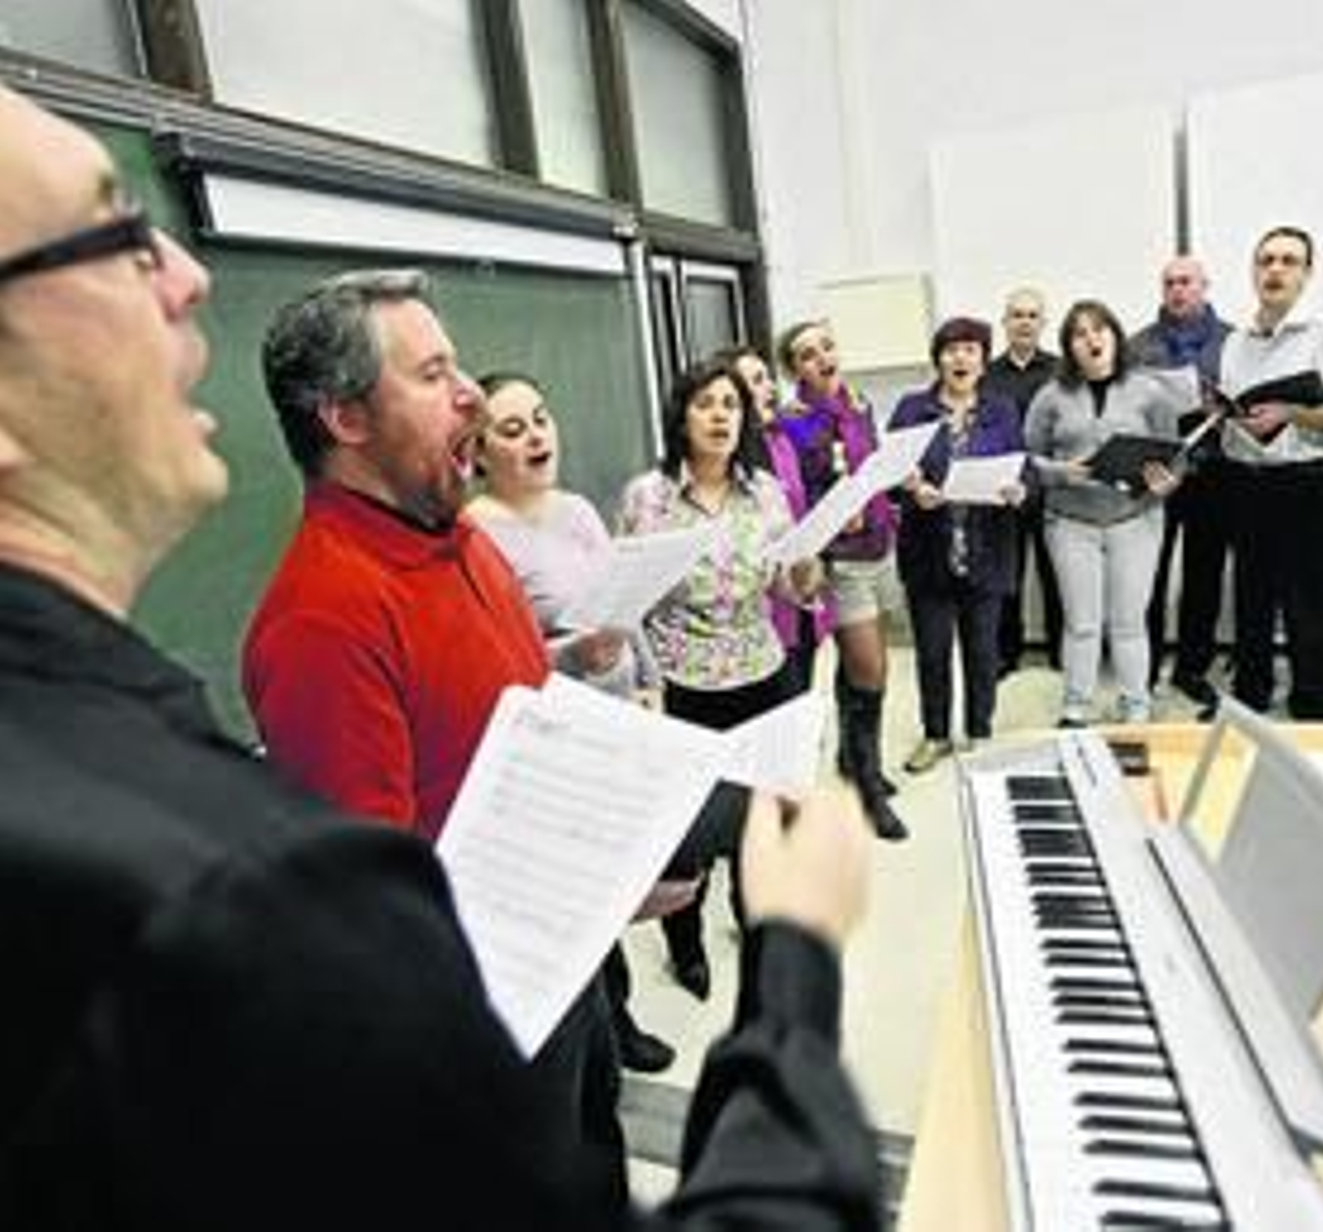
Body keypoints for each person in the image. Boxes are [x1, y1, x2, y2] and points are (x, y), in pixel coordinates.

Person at [0, 83, 883, 1230]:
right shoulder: (320, 621)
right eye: (431, 376)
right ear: (345, 419)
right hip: (479, 1023)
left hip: (561, 982)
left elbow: (513, 716)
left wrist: (611, 849)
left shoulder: (461, 542)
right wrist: (794, 950)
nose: (473, 395)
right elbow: (373, 929)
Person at [465, 370, 676, 1075]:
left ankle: (620, 1014)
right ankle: (601, 1029)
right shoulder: (475, 535)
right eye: (513, 428)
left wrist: (649, 679)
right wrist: (575, 656)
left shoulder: (581, 509)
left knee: (618, 878)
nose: (536, 436)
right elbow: (498, 658)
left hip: (621, 718)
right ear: (478, 451)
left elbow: (625, 601)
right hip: (557, 730)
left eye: (542, 418)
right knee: (580, 893)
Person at [616, 356, 825, 1000]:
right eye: (705, 404)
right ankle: (687, 949)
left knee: (763, 833)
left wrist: (809, 560)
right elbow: (627, 600)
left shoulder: (764, 490)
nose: (719, 416)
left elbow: (794, 586)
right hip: (681, 686)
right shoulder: (646, 497)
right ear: (682, 415)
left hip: (763, 676)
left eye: (730, 405)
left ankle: (760, 949)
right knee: (686, 839)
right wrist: (642, 685)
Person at [1025, 300, 1195, 725]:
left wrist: (1169, 481)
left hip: (1136, 520)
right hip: (1069, 522)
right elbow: (1026, 458)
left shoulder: (1149, 391)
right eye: (1080, 334)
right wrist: (1062, 471)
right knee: (1081, 622)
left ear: (1116, 336)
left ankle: (1135, 704)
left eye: (1100, 329)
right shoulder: (1050, 395)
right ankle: (1076, 704)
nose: (1092, 339)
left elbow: (1176, 456)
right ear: (1069, 347)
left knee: (1129, 621)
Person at [1217, 225, 1323, 719]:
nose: (1275, 270)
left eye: (1288, 261)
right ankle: (1251, 700)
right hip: (1247, 480)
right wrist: (1222, 413)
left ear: (1307, 274)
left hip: (1306, 482)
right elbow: (1239, 414)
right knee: (1249, 601)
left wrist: (1291, 414)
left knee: (1309, 606)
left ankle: (1316, 707)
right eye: (1266, 261)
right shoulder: (1236, 340)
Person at [774, 319, 907, 840]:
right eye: (807, 355)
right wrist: (833, 512)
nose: (822, 358)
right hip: (842, 558)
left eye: (827, 346)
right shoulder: (795, 423)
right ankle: (869, 785)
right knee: (870, 668)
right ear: (794, 370)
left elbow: (869, 466)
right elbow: (794, 494)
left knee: (864, 667)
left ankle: (854, 759)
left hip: (879, 545)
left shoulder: (859, 404)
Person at [888, 317, 1026, 772]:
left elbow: (1023, 467)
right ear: (938, 359)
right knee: (931, 652)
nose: (960, 358)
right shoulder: (911, 409)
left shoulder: (1003, 409)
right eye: (950, 350)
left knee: (984, 652)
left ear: (984, 360)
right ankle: (936, 734)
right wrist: (909, 485)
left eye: (970, 349)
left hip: (988, 549)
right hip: (928, 550)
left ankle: (981, 733)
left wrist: (1019, 489)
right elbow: (885, 474)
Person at [1127, 256, 1234, 712]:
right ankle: (1144, 667)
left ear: (1205, 286)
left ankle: (1192, 668)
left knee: (1203, 574)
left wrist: (1220, 402)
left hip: (1215, 469)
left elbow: (1250, 402)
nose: (1177, 290)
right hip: (1158, 471)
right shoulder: (1136, 345)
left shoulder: (1235, 341)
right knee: (1147, 572)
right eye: (1169, 282)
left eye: (1186, 282)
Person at [722, 343, 836, 697]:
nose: (771, 388)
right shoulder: (729, 459)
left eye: (768, 379)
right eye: (757, 381)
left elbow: (822, 435)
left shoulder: (781, 438)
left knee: (801, 702)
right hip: (759, 615)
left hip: (799, 595)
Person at [980, 287, 1063, 673]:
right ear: (1005, 323)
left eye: (1032, 315)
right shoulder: (986, 375)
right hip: (1004, 491)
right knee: (1007, 577)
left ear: (1043, 323)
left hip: (1050, 491)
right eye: (1017, 315)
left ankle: (1061, 652)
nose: (1024, 322)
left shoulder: (1062, 371)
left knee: (1056, 575)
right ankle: (1005, 654)